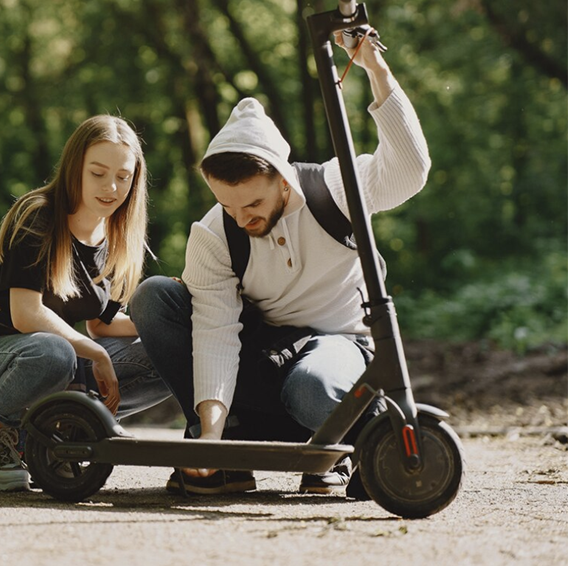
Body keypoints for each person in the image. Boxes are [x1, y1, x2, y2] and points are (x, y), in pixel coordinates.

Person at [130, 30, 431, 496]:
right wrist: (210, 437)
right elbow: (214, 332)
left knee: (312, 387)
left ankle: (347, 449)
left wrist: (375, 69)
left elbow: (410, 171)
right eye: (228, 205)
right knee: (156, 297)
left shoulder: (335, 189)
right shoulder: (214, 234)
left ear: (283, 179)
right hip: (263, 356)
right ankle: (228, 452)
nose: (240, 217)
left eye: (252, 203)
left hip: (338, 351)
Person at [0, 115, 170, 491]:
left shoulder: (114, 236)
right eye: (98, 173)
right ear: (74, 169)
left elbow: (102, 325)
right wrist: (95, 355)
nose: (111, 187)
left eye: (123, 176)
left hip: (58, 362)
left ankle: (65, 430)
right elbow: (26, 314)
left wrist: (174, 322)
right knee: (55, 351)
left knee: (167, 354)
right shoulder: (38, 215)